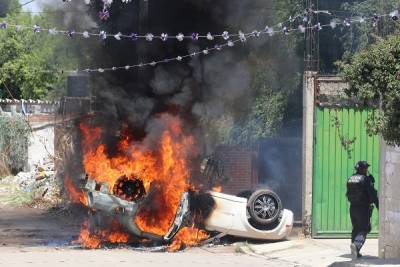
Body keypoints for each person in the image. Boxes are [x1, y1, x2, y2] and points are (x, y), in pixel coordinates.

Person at [346, 161, 379, 259]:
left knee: (356, 228)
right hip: (363, 208)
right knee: (364, 229)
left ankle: (355, 251)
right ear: (362, 169)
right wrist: (378, 205)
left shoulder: (351, 178)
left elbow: (348, 194)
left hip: (353, 207)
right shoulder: (365, 179)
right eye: (365, 168)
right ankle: (356, 245)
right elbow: (372, 194)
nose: (367, 170)